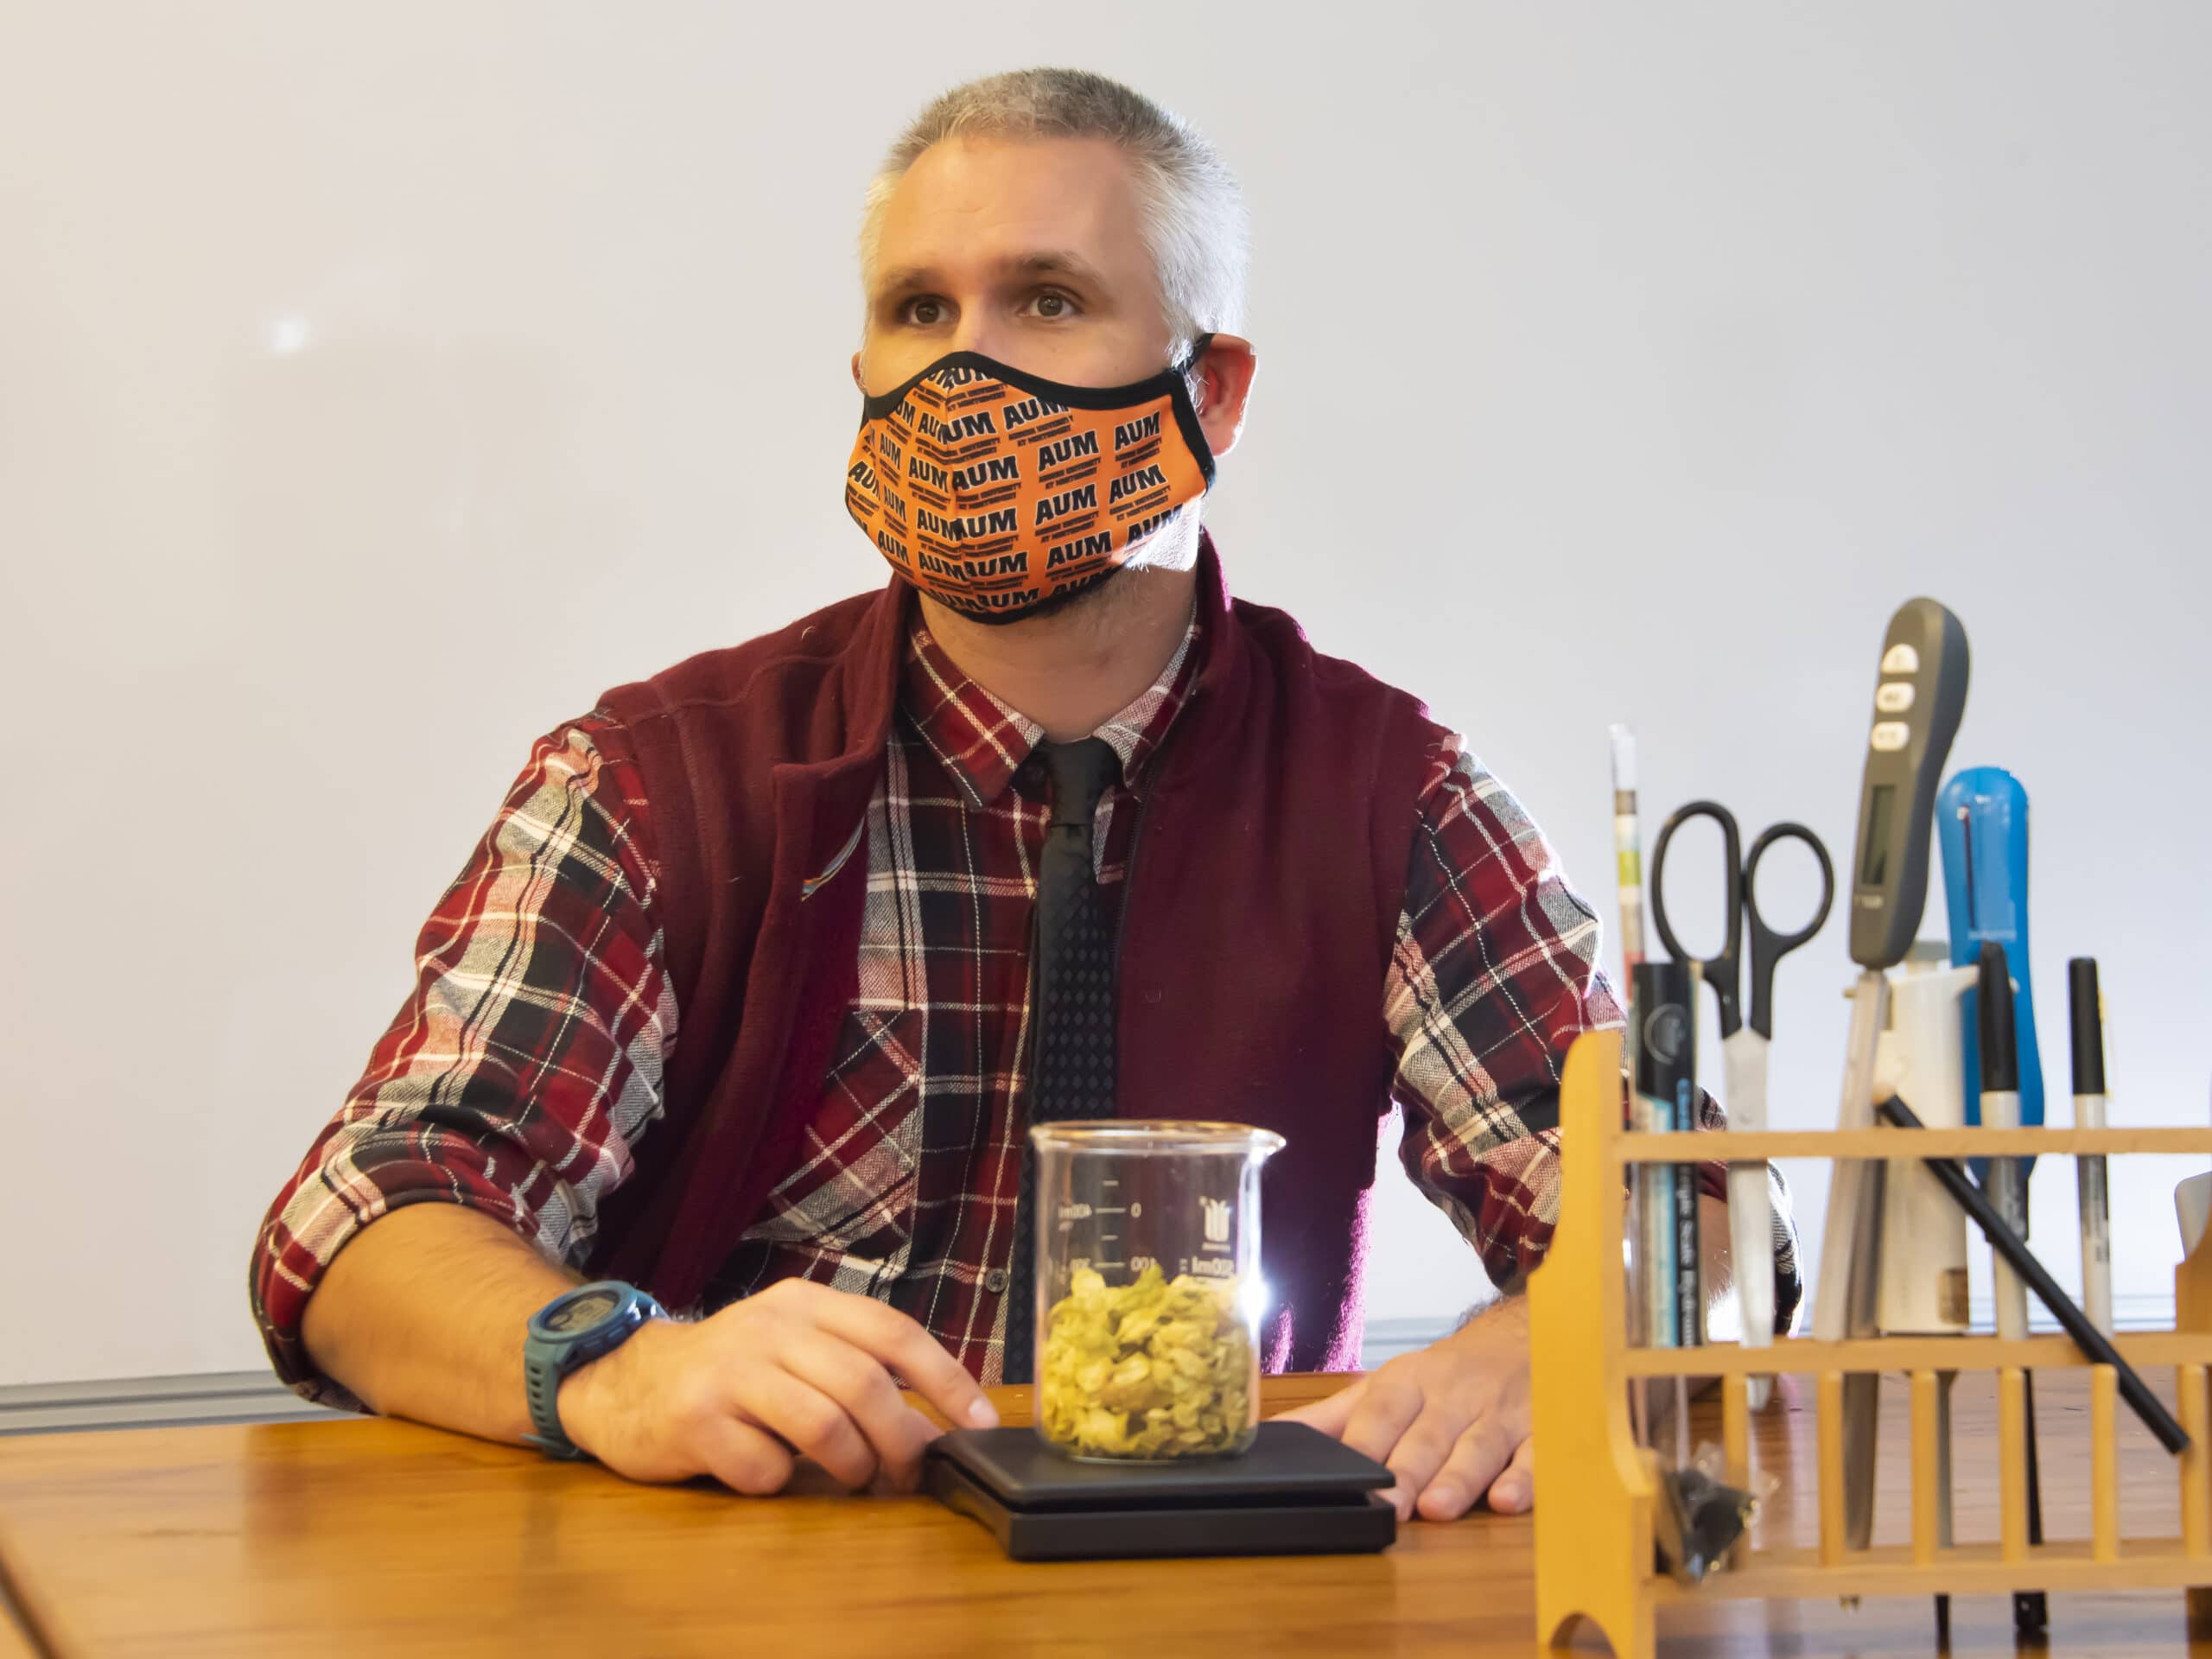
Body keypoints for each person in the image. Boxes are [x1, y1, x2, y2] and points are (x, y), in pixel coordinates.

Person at [251, 66, 1798, 1525]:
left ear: (1220, 392)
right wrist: (621, 1366)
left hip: (1200, 1588)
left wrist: (1571, 1325)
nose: (963, 372)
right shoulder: (665, 781)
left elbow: (1704, 1228)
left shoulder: (1381, 792)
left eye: (1047, 300)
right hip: (748, 1583)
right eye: (919, 311)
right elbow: (363, 1232)